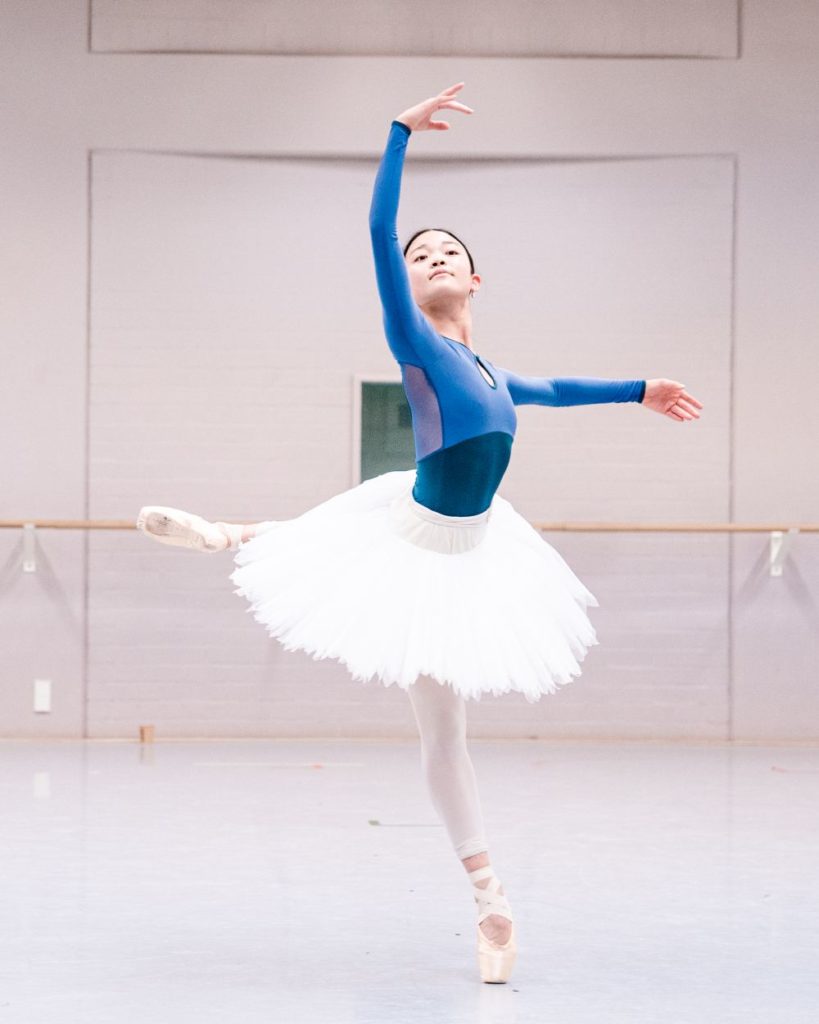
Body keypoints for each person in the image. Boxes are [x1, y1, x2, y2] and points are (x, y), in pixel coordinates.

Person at [136, 82, 703, 984]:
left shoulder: (486, 366)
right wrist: (398, 134)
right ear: (409, 283)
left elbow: (552, 390)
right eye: (422, 254)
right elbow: (375, 236)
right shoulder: (414, 338)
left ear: (475, 279)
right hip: (416, 539)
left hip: (474, 554)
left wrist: (639, 389)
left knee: (448, 736)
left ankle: (489, 906)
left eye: (449, 252)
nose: (433, 256)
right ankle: (232, 535)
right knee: (384, 566)